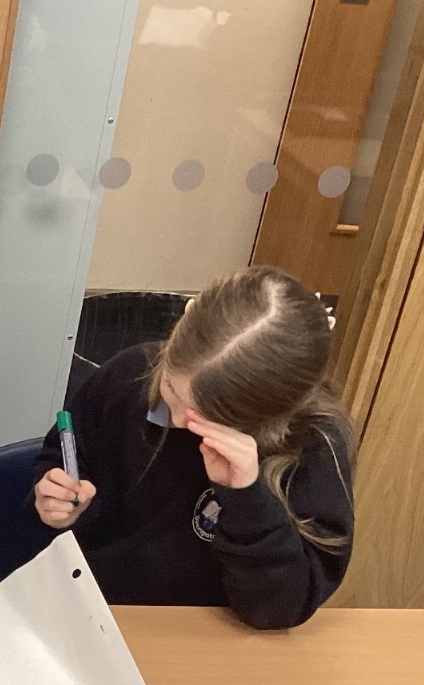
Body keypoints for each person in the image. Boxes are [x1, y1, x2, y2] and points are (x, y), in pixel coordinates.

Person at [32, 264, 354, 629]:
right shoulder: (129, 373)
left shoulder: (313, 446)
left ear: (266, 413)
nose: (177, 420)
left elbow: (278, 611)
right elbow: (64, 455)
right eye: (170, 388)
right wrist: (56, 495)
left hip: (208, 634)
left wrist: (245, 497)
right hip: (91, 608)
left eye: (207, 417)